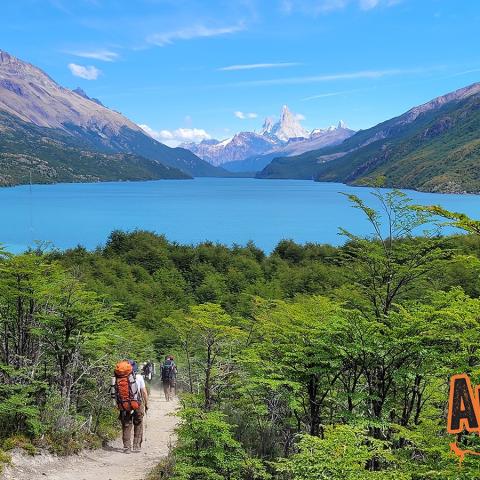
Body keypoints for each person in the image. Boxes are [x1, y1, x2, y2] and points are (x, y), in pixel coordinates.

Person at [111, 359, 148, 454]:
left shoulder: (118, 378)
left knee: (126, 425)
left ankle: (127, 447)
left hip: (124, 405)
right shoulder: (138, 377)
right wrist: (146, 404)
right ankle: (136, 446)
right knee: (138, 423)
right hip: (137, 404)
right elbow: (143, 392)